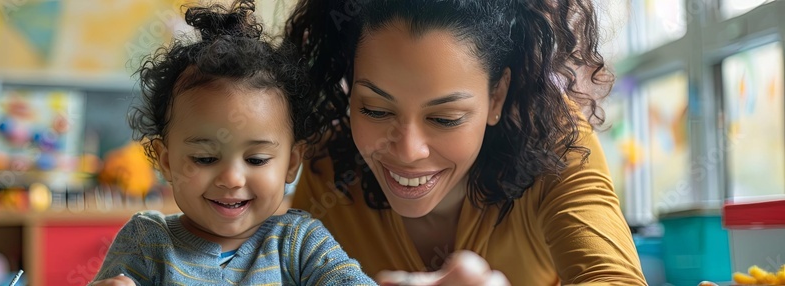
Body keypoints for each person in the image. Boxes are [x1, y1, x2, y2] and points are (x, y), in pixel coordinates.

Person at [283, 0, 648, 285]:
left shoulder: (553, 141)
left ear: (497, 96)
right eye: (376, 110)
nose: (409, 151)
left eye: (445, 119)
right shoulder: (328, 166)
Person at [89, 1, 376, 285]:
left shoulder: (301, 244)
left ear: (291, 162)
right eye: (204, 158)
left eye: (256, 159)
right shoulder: (146, 243)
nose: (231, 179)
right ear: (166, 161)